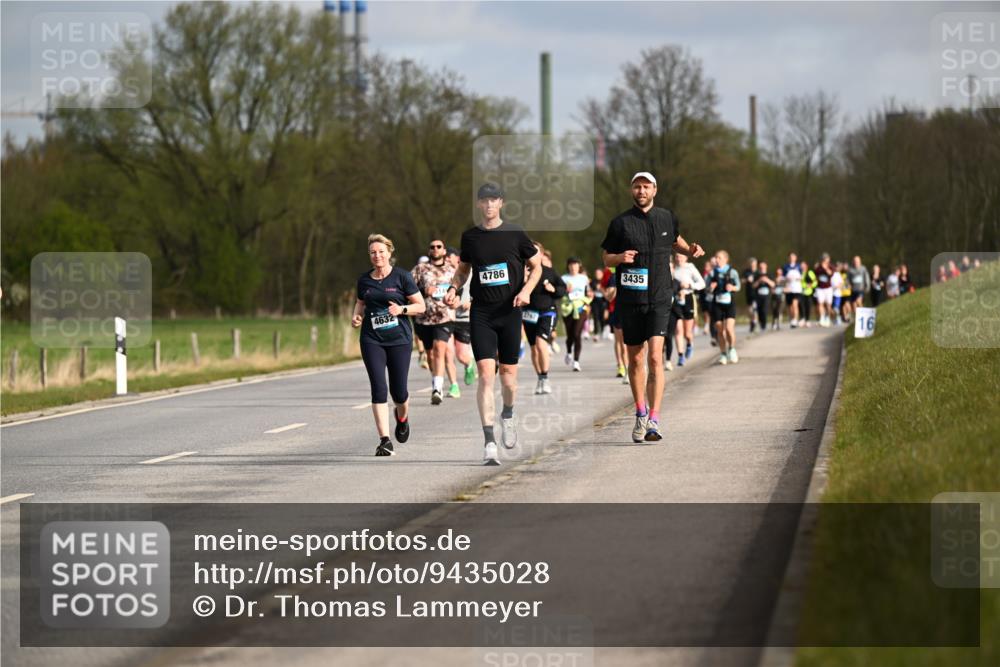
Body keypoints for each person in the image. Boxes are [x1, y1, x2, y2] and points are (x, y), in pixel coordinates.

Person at [601, 171, 704, 443]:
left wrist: (690, 250)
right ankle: (639, 412)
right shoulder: (620, 223)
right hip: (631, 299)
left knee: (656, 357)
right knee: (635, 358)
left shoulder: (666, 217)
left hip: (660, 296)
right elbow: (606, 259)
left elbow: (675, 242)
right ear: (631, 190)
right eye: (637, 187)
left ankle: (654, 420)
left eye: (646, 187)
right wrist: (620, 257)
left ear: (655, 190)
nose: (642, 191)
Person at [444, 183, 542, 466]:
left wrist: (525, 292)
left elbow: (536, 267)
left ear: (501, 203)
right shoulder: (471, 237)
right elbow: (463, 270)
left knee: (508, 376)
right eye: (484, 200)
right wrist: (453, 287)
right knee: (487, 373)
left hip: (510, 311)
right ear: (478, 205)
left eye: (493, 200)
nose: (488, 205)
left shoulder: (515, 233)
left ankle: (508, 414)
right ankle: (489, 441)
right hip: (482, 313)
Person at [352, 234, 426, 456]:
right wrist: (356, 317)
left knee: (399, 392)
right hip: (371, 339)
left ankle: (402, 418)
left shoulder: (402, 277)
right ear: (370, 255)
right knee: (378, 388)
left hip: (399, 340)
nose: (377, 256)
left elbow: (420, 306)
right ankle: (384, 440)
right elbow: (360, 304)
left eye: (381, 251)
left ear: (389, 253)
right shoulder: (364, 280)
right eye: (373, 252)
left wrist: (401, 310)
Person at [412, 239, 459, 403]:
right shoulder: (420, 269)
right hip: (424, 318)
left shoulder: (453, 270)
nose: (435, 249)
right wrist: (424, 290)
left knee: (440, 349)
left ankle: (437, 389)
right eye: (432, 247)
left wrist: (456, 301)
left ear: (444, 250)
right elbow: (407, 289)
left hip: (444, 317)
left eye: (439, 247)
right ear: (429, 250)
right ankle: (436, 380)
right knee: (431, 355)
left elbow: (460, 292)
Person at [523, 242, 566, 394]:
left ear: (541, 255)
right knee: (534, 349)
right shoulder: (523, 271)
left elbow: (562, 289)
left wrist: (553, 289)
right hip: (528, 313)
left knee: (541, 343)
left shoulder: (549, 272)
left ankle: (545, 377)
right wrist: (524, 278)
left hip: (547, 311)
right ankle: (540, 378)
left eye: (535, 252)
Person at [447, 246, 477, 387]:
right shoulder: (442, 274)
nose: (447, 259)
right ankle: (453, 385)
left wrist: (471, 303)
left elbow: (480, 292)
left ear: (457, 258)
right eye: (445, 257)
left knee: (461, 355)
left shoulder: (469, 273)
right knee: (447, 353)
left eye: (449, 256)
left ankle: (468, 364)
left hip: (463, 318)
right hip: (445, 319)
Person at [671, 250, 705, 367]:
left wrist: (690, 285)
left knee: (687, 333)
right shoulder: (673, 269)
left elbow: (702, 284)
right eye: (677, 256)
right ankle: (680, 356)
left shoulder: (690, 268)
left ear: (686, 258)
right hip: (676, 300)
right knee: (678, 330)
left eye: (681, 256)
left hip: (689, 298)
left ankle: (689, 344)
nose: (678, 258)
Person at [709, 250, 741, 365]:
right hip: (717, 303)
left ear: (726, 259)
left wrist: (732, 287)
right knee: (719, 330)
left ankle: (732, 349)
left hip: (729, 303)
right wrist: (710, 288)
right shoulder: (712, 273)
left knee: (728, 328)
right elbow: (706, 288)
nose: (717, 260)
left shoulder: (733, 272)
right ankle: (723, 354)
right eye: (716, 258)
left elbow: (738, 286)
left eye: (719, 258)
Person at [560, 257, 592, 372]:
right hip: (568, 308)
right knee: (570, 335)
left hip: (580, 307)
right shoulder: (563, 278)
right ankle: (569, 352)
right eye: (571, 265)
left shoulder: (584, 278)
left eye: (575, 265)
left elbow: (588, 292)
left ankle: (576, 361)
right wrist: (566, 290)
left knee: (577, 334)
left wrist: (589, 297)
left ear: (579, 266)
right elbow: (560, 293)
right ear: (568, 266)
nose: (573, 267)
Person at [753, 261, 776, 331]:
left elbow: (773, 284)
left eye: (763, 266)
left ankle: (764, 325)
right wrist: (759, 280)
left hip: (767, 296)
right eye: (760, 266)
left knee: (764, 310)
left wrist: (767, 280)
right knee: (759, 310)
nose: (762, 267)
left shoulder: (769, 274)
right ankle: (761, 324)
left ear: (766, 266)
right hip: (758, 296)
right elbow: (753, 286)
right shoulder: (756, 275)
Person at [814, 253, 834, 327]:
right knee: (820, 303)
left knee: (828, 304)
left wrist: (825, 268)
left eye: (826, 258)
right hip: (820, 288)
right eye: (824, 258)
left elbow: (831, 274)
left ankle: (828, 318)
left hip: (828, 288)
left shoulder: (831, 266)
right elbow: (815, 274)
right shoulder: (818, 267)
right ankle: (822, 318)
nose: (825, 260)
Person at [783, 253, 802, 328]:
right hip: (789, 288)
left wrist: (798, 278)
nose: (791, 258)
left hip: (796, 289)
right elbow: (783, 278)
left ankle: (795, 319)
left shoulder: (799, 266)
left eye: (793, 257)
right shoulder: (785, 267)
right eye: (790, 257)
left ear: (795, 258)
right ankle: (792, 319)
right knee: (790, 306)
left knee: (795, 304)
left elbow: (801, 276)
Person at [590, 268, 609, 340]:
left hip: (603, 302)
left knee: (603, 317)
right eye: (596, 274)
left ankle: (604, 330)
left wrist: (601, 288)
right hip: (595, 302)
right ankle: (596, 333)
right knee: (595, 317)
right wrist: (597, 287)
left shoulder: (605, 281)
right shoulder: (593, 281)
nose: (597, 275)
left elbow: (607, 290)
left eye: (599, 273)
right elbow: (592, 288)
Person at [744, 257, 760, 334]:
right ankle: (752, 322)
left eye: (754, 264)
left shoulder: (758, 272)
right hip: (749, 292)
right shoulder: (746, 272)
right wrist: (747, 280)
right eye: (751, 264)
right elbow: (741, 280)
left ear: (756, 264)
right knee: (750, 310)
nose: (753, 265)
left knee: (755, 309)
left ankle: (755, 323)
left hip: (757, 293)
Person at [800, 260, 817, 327]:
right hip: (800, 292)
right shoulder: (799, 272)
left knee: (808, 306)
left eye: (803, 265)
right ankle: (802, 319)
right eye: (801, 265)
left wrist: (811, 285)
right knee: (801, 306)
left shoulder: (810, 272)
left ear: (806, 266)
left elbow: (815, 281)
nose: (802, 266)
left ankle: (807, 320)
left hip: (808, 292)